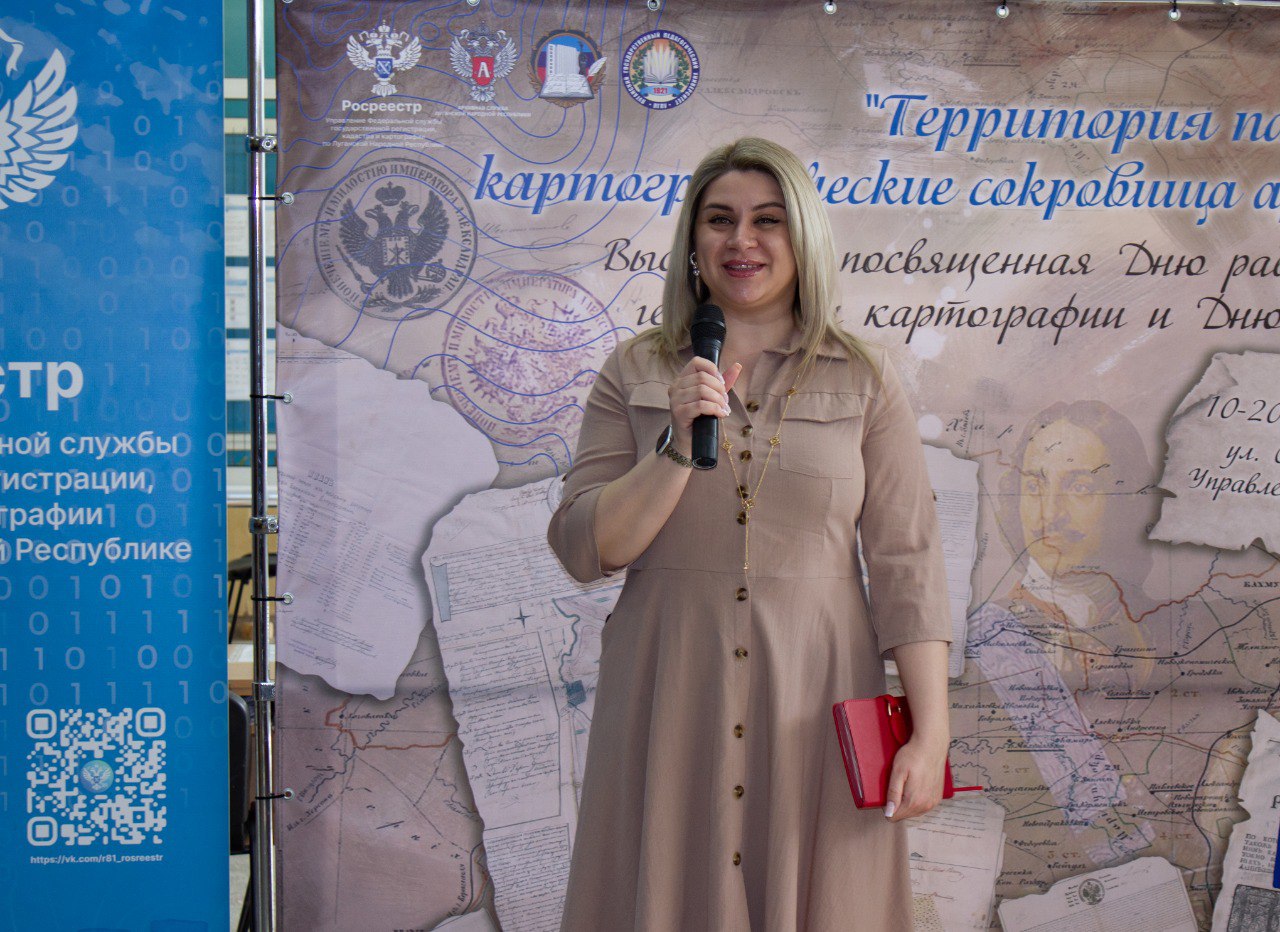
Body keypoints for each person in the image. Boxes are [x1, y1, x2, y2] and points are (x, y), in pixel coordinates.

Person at [548, 137, 952, 931]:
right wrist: (675, 443)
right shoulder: (634, 371)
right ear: (693, 242)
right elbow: (586, 549)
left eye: (768, 220)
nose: (743, 240)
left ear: (803, 238)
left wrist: (931, 732)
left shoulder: (864, 377)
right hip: (671, 697)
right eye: (720, 220)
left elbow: (907, 562)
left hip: (819, 699)